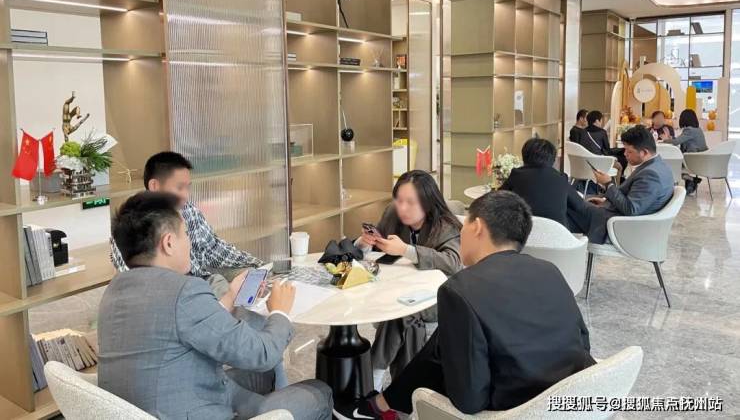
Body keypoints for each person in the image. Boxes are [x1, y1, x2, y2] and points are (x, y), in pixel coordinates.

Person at [353, 191, 594, 418]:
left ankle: (383, 403)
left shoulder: (460, 289)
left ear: (477, 226)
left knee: (445, 345)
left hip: (515, 411)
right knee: (442, 342)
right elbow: (583, 341)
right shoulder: (549, 270)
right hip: (573, 399)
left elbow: (469, 400)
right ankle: (385, 401)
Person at [98, 192, 333, 420]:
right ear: (168, 243)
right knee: (319, 392)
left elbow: (181, 329)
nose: (189, 242)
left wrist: (230, 294)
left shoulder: (114, 291)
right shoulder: (184, 291)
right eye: (185, 234)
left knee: (265, 374)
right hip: (191, 410)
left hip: (160, 401)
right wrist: (280, 312)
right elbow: (263, 354)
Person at [356, 170, 462, 390]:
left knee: (401, 310)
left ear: (428, 202)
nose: (402, 208)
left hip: (436, 299)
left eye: (410, 202)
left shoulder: (445, 225)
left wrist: (406, 250)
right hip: (400, 291)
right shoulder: (392, 213)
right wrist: (364, 242)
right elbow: (375, 246)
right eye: (399, 200)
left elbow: (453, 262)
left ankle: (374, 375)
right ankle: (401, 391)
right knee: (407, 321)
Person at [110, 151, 263, 290]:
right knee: (223, 288)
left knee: (252, 276)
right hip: (171, 293)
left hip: (201, 279)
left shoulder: (188, 210)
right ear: (154, 186)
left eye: (187, 187)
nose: (185, 195)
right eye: (179, 188)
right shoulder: (132, 223)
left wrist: (256, 264)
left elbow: (213, 248)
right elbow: (135, 281)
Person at [567, 125, 674, 244]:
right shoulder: (659, 166)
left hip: (617, 225)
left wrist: (608, 184)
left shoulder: (651, 175)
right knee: (569, 203)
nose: (625, 154)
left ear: (644, 152)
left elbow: (631, 209)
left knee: (565, 208)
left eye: (629, 151)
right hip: (614, 215)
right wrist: (607, 201)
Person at [500, 137, 580, 229]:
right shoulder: (561, 178)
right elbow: (579, 206)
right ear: (552, 159)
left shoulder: (517, 175)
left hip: (523, 234)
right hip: (557, 234)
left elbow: (497, 198)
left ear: (524, 157)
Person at [660, 109, 708, 195]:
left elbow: (676, 142)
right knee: (673, 165)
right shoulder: (698, 129)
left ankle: (687, 182)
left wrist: (665, 140)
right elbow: (679, 140)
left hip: (692, 161)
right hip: (700, 160)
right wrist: (670, 137)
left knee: (669, 166)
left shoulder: (689, 130)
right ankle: (691, 180)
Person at [579, 110, 626, 181]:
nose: (601, 123)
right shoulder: (602, 132)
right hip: (599, 162)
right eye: (601, 120)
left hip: (585, 163)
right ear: (597, 121)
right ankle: (615, 186)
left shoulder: (582, 132)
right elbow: (607, 151)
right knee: (620, 166)